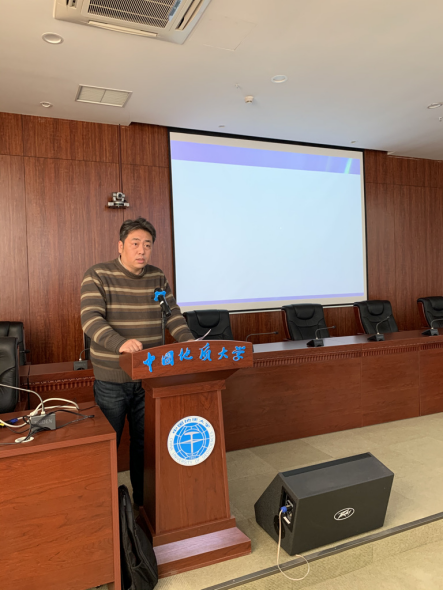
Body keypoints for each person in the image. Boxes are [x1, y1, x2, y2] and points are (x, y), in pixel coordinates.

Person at [80, 217, 193, 508]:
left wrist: (188, 341)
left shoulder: (157, 277)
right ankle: (105, 509)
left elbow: (172, 314)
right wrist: (120, 343)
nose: (142, 250)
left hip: (150, 377)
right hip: (112, 379)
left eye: (147, 245)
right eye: (135, 243)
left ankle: (144, 505)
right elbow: (90, 319)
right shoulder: (98, 275)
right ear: (120, 246)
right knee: (109, 443)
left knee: (146, 444)